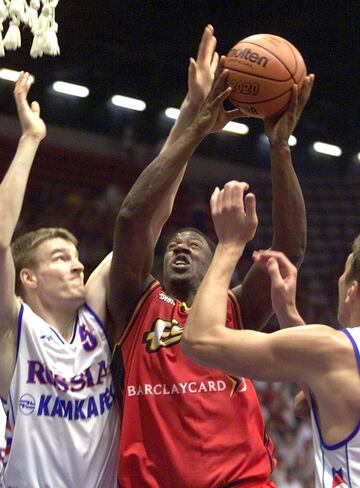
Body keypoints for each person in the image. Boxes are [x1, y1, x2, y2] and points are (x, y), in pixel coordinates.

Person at [107, 24, 315, 487]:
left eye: (195, 243)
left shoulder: (235, 307)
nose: (181, 244)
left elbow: (289, 250)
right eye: (174, 243)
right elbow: (131, 220)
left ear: (213, 263)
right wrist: (198, 126)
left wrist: (279, 148)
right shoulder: (134, 304)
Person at [181, 182, 360, 487]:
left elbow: (199, 339)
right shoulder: (333, 360)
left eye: (344, 275)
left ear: (353, 291)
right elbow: (320, 392)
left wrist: (228, 245)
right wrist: (288, 313)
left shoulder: (333, 350)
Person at [0, 73, 121, 487]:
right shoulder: (14, 332)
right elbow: (1, 236)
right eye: (60, 257)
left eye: (76, 257)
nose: (78, 266)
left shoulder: (95, 316)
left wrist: (191, 120)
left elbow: (141, 223)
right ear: (27, 277)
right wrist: (30, 139)